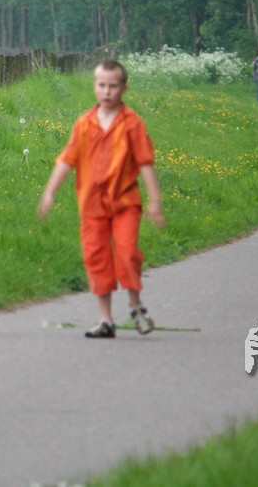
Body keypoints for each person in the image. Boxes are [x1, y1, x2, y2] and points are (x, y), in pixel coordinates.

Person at [38, 60, 165, 338]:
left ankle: (135, 305)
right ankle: (105, 320)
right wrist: (49, 192)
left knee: (127, 253)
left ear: (124, 88)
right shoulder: (84, 123)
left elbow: (145, 162)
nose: (107, 91)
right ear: (95, 86)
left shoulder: (132, 123)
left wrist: (155, 201)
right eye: (101, 85)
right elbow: (66, 160)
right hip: (92, 205)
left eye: (113, 86)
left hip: (125, 203)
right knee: (96, 257)